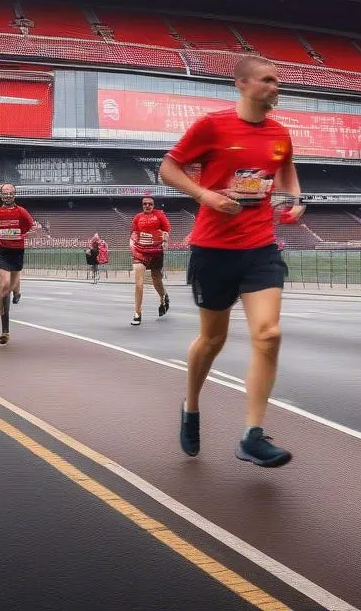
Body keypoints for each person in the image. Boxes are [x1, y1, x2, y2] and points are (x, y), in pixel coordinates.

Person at [159, 55, 304, 468]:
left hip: (260, 248)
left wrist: (294, 200)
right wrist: (206, 196)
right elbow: (168, 168)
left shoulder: (280, 133)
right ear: (241, 84)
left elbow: (287, 172)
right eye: (268, 80)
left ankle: (252, 435)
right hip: (213, 250)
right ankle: (191, 405)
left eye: (278, 80)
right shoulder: (212, 125)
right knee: (213, 340)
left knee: (269, 333)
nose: (276, 87)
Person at [0, 184, 36, 344]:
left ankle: (17, 292)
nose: (8, 196)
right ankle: (5, 330)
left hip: (17, 251)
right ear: (1, 196)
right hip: (1, 251)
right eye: (5, 193)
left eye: (11, 193)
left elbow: (29, 225)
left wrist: (18, 233)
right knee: (4, 286)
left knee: (12, 285)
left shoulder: (21, 212)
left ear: (15, 195)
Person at [129, 197, 172, 325]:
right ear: (142, 205)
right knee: (139, 283)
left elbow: (167, 229)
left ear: (153, 205)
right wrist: (133, 244)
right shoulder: (137, 217)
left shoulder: (159, 216)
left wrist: (164, 239)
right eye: (145, 204)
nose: (147, 206)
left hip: (156, 252)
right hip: (140, 252)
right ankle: (137, 313)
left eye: (150, 204)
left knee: (156, 279)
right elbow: (133, 232)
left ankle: (163, 297)